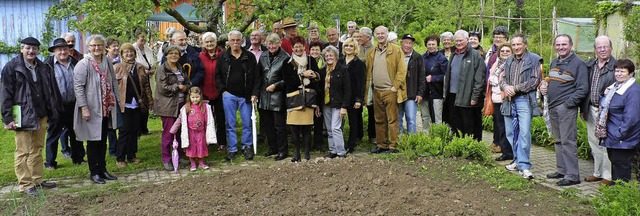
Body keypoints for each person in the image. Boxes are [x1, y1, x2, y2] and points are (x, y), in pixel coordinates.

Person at [2, 37, 60, 196]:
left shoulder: (42, 67)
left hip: (40, 114)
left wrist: (51, 111)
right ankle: (25, 184)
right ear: (22, 49)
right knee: (23, 151)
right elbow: (5, 94)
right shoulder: (11, 67)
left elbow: (47, 91)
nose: (31, 51)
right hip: (22, 116)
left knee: (37, 149)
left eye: (34, 48)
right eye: (28, 48)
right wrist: (7, 118)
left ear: (38, 51)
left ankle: (37, 180)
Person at [540, 34, 588, 186]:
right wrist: (546, 86)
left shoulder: (578, 64)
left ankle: (573, 176)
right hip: (553, 107)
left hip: (566, 109)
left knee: (568, 141)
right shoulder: (555, 61)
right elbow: (553, 80)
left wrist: (567, 104)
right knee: (559, 140)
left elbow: (582, 88)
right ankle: (562, 170)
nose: (560, 47)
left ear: (571, 45)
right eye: (558, 45)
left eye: (564, 44)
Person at [73, 34, 119, 184]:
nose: (96, 48)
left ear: (104, 46)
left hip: (106, 108)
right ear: (88, 47)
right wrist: (84, 108)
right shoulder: (83, 64)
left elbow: (113, 82)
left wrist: (117, 102)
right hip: (92, 108)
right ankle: (94, 172)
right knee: (93, 141)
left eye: (99, 45)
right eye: (93, 45)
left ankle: (103, 169)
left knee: (103, 140)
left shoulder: (107, 61)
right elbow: (78, 87)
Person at [216, 31, 260, 161]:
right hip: (229, 95)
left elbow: (257, 76)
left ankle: (247, 147)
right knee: (230, 123)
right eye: (233, 40)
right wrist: (223, 91)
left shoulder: (249, 56)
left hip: (245, 95)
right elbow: (217, 75)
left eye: (238, 40)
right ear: (228, 42)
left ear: (242, 41)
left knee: (247, 123)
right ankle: (232, 149)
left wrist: (254, 93)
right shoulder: (223, 56)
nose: (235, 43)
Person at [365, 26, 407, 154]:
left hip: (390, 91)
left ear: (387, 34)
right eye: (378, 34)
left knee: (392, 119)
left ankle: (394, 145)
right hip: (377, 90)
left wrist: (395, 86)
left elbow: (402, 70)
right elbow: (368, 71)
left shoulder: (396, 50)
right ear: (375, 35)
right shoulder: (372, 52)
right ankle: (381, 144)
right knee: (379, 119)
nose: (380, 35)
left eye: (383, 33)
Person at [44, 38, 84, 169]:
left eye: (65, 49)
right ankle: (50, 163)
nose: (62, 51)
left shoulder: (75, 63)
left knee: (76, 132)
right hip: (56, 106)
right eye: (59, 49)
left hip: (73, 104)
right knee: (53, 134)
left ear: (69, 50)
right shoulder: (47, 65)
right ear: (54, 51)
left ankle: (78, 158)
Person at [582, 35, 616, 186]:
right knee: (593, 142)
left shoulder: (616, 67)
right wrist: (583, 109)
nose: (602, 50)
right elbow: (584, 89)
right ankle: (597, 173)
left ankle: (608, 176)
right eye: (599, 47)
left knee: (606, 143)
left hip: (608, 113)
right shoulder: (590, 65)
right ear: (595, 50)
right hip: (591, 109)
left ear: (611, 48)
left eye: (605, 47)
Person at [600, 59, 640, 183]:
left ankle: (620, 195)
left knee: (622, 169)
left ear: (631, 73)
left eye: (622, 71)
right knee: (616, 165)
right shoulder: (615, 87)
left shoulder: (633, 91)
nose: (618, 74)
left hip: (623, 138)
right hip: (613, 136)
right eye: (617, 71)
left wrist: (619, 134)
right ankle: (615, 194)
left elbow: (632, 118)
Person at [113, 43, 153, 167]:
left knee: (134, 130)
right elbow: (113, 87)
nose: (129, 54)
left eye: (131, 51)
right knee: (124, 131)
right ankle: (120, 158)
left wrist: (150, 100)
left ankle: (131, 155)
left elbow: (146, 86)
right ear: (122, 54)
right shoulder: (117, 67)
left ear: (135, 54)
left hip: (137, 104)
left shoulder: (140, 67)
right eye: (126, 52)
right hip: (123, 105)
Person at [443, 30, 486, 141]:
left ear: (467, 40)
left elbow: (479, 79)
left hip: (467, 96)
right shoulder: (454, 54)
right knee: (454, 123)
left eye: (461, 40)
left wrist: (475, 97)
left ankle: (471, 146)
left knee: (469, 125)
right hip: (452, 95)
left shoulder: (476, 56)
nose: (458, 43)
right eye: (456, 41)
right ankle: (458, 145)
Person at [283, 36, 320, 161]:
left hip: (308, 98)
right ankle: (297, 153)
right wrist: (302, 75)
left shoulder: (311, 60)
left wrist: (314, 75)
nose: (298, 49)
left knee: (307, 128)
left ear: (304, 47)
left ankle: (307, 153)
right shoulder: (287, 62)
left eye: (300, 46)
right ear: (292, 49)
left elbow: (317, 78)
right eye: (296, 47)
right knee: (294, 128)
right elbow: (288, 81)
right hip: (294, 99)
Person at [155, 45, 192, 171]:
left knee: (181, 131)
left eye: (176, 53)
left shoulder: (180, 68)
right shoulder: (162, 69)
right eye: (171, 53)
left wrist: (185, 88)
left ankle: (180, 154)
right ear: (166, 55)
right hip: (168, 106)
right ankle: (166, 158)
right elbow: (163, 88)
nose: (174, 56)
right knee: (169, 133)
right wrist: (178, 87)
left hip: (181, 104)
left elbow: (187, 83)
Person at [258, 33, 289, 161]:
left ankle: (283, 150)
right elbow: (259, 75)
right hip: (264, 95)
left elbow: (288, 79)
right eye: (269, 44)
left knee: (279, 126)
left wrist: (276, 85)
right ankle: (273, 147)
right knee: (267, 124)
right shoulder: (263, 56)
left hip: (278, 96)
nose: (271, 46)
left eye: (274, 43)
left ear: (279, 44)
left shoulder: (285, 57)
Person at [170, 87, 217, 171]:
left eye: (197, 97)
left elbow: (208, 119)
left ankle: (201, 162)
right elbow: (180, 119)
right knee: (191, 147)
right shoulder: (186, 108)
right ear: (189, 97)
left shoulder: (204, 107)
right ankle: (192, 163)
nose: (195, 99)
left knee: (201, 146)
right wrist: (173, 129)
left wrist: (208, 131)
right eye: (193, 97)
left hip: (201, 131)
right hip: (190, 132)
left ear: (200, 96)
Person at [320, 45, 351, 158]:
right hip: (326, 103)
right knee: (329, 129)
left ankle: (341, 152)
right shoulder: (323, 71)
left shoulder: (342, 70)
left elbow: (347, 90)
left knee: (335, 128)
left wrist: (344, 107)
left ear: (336, 56)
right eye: (326, 55)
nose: (328, 57)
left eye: (331, 55)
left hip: (338, 104)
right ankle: (333, 150)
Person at [199, 32, 228, 151]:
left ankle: (222, 142)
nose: (209, 44)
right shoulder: (199, 56)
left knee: (221, 118)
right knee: (204, 119)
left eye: (211, 41)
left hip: (219, 91)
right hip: (204, 92)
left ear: (216, 42)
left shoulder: (223, 55)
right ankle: (206, 141)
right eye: (207, 42)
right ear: (203, 43)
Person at [485, 26, 509, 153]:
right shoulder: (491, 52)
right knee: (496, 118)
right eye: (496, 36)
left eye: (501, 37)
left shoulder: (506, 53)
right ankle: (496, 142)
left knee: (502, 121)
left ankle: (502, 145)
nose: (498, 39)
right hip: (492, 91)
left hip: (503, 93)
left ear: (506, 39)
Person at [489, 43, 514, 163]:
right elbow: (491, 79)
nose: (504, 52)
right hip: (496, 99)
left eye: (507, 51)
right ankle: (505, 151)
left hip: (505, 99)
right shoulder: (496, 64)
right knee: (500, 126)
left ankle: (508, 152)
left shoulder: (512, 65)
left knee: (506, 127)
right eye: (502, 51)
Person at [339, 38, 365, 153]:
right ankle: (339, 144)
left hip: (354, 97)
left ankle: (351, 145)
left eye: (351, 46)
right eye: (346, 46)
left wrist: (359, 99)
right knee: (339, 122)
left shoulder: (359, 63)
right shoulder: (339, 61)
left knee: (353, 122)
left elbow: (362, 82)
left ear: (355, 48)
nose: (348, 48)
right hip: (341, 96)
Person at [398, 34, 426, 134]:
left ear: (413, 44)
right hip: (398, 92)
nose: (407, 45)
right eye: (406, 42)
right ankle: (399, 141)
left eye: (410, 43)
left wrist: (420, 93)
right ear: (401, 43)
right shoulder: (396, 55)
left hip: (412, 93)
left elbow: (422, 77)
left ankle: (412, 140)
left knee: (411, 119)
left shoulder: (417, 57)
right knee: (397, 119)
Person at [133, 30, 157, 136]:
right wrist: (143, 71)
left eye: (145, 37)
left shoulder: (148, 49)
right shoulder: (133, 49)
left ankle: (144, 127)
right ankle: (138, 129)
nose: (143, 39)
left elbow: (154, 62)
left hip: (148, 78)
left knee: (147, 102)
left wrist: (152, 69)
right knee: (139, 104)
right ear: (136, 38)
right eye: (141, 37)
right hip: (138, 80)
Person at [422, 35, 448, 127]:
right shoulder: (422, 57)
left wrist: (434, 78)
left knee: (437, 118)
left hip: (437, 92)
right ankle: (425, 137)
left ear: (437, 45)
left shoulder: (442, 58)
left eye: (433, 44)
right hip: (424, 92)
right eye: (429, 44)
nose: (431, 46)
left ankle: (437, 138)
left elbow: (447, 76)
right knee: (425, 116)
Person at [309, 41, 326, 147]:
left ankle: (318, 142)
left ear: (321, 52)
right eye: (312, 49)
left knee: (319, 117)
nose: (314, 52)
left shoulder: (325, 63)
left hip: (321, 93)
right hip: (310, 94)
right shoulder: (307, 62)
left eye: (317, 50)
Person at [105, 38, 120, 157]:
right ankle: (113, 149)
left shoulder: (121, 59)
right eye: (113, 46)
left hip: (121, 94)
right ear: (107, 48)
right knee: (111, 125)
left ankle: (121, 147)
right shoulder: (105, 61)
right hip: (109, 96)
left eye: (117, 46)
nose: (116, 48)